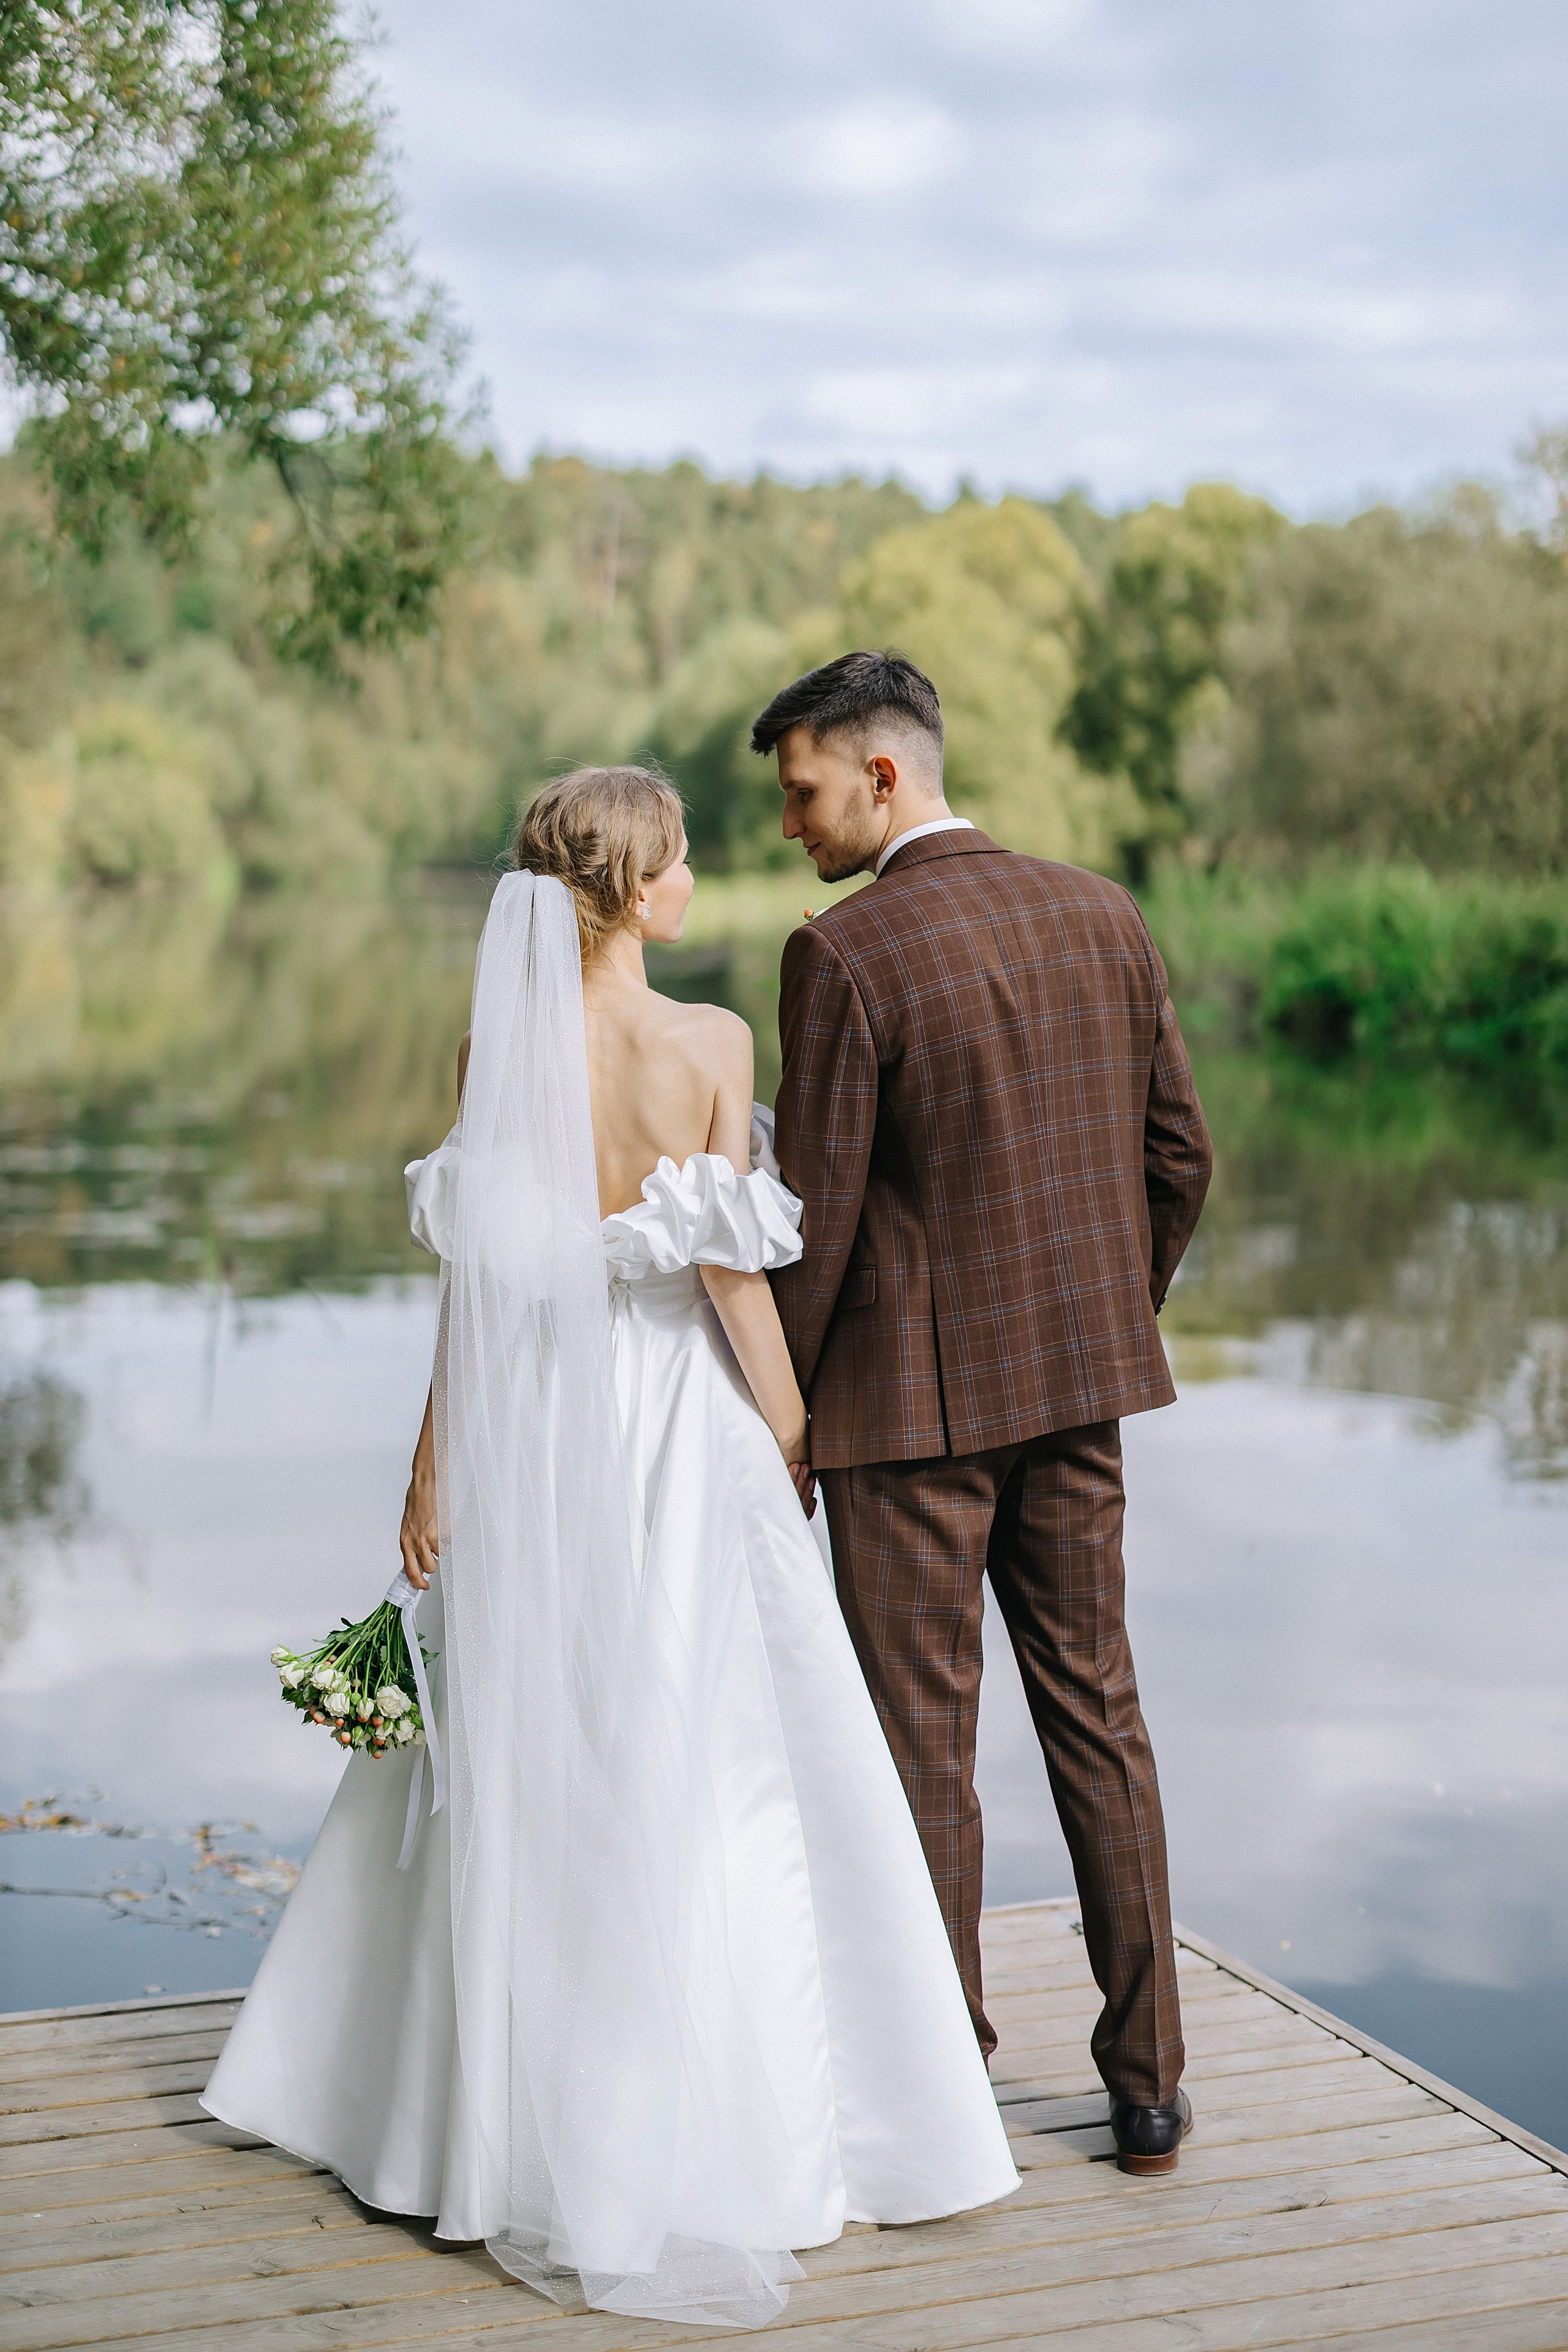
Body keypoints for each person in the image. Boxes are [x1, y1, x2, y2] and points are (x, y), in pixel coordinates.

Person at [201, 765, 1017, 2330]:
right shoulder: (708, 1043)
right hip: (669, 1428)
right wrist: (789, 1433)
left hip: (529, 1430)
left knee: (535, 1733)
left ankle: (458, 2119)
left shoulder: (491, 1046)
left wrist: (433, 1461)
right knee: (708, 1750)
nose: (702, 878)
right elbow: (726, 1280)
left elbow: (480, 1290)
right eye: (688, 859)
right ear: (637, 885)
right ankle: (725, 2134)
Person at [753, 652, 1213, 2179]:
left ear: (881, 775)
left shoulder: (844, 953)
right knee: (1101, 1716)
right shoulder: (1103, 909)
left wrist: (788, 1416)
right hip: (1079, 1391)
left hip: (902, 1421)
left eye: (804, 790)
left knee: (918, 1754)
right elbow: (1179, 1160)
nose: (791, 827)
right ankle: (1147, 2090)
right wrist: (1101, 1315)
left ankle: (943, 2086)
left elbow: (810, 1226)